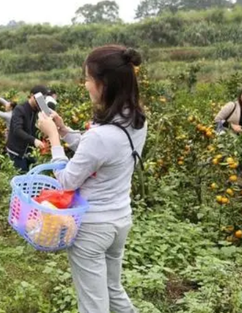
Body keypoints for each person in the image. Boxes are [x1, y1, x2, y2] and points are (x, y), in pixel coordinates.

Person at [37, 45, 147, 313]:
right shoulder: (135, 120)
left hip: (92, 227)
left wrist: (52, 137)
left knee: (93, 306)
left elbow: (65, 181)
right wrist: (63, 131)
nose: (85, 85)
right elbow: (98, 150)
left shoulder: (101, 135)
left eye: (87, 79)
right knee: (113, 290)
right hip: (119, 220)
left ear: (103, 83)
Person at [6, 85, 48, 173]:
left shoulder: (39, 110)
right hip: (17, 152)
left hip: (30, 152)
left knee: (34, 176)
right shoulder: (20, 109)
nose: (39, 103)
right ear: (32, 96)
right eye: (38, 100)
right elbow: (17, 130)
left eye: (42, 100)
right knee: (22, 176)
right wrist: (34, 140)